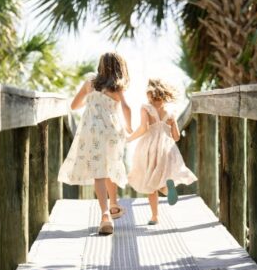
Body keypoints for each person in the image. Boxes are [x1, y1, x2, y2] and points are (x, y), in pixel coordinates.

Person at [56, 52, 132, 236]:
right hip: (111, 132)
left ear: (100, 66)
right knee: (111, 167)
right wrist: (129, 127)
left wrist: (91, 101)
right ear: (120, 68)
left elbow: (74, 105)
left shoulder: (90, 82)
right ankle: (113, 204)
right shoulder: (117, 86)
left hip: (91, 132)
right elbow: (126, 107)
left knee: (99, 172)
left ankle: (105, 214)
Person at [126, 78, 196, 224]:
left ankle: (155, 216)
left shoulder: (146, 108)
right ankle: (166, 188)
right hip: (166, 148)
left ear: (150, 93)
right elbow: (176, 137)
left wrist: (129, 139)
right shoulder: (170, 112)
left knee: (150, 182)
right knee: (160, 177)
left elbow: (144, 128)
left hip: (149, 148)